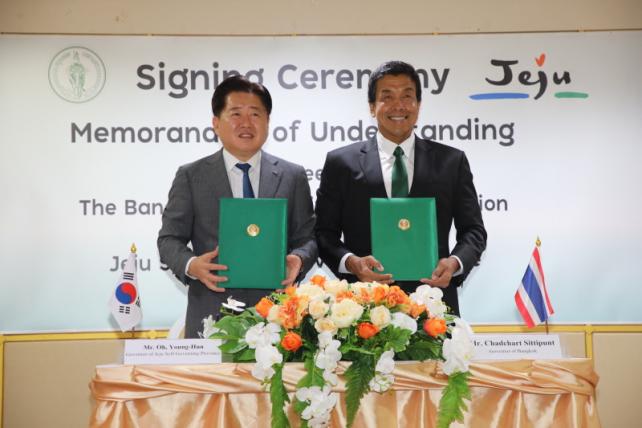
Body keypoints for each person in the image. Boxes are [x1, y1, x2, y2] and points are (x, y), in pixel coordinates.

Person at [314, 61, 487, 315]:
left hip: (434, 306)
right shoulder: (341, 163)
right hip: (362, 309)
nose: (398, 105)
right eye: (387, 97)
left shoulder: (451, 161)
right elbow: (323, 233)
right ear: (372, 107)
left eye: (407, 96)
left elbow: (473, 231)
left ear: (418, 105)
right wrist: (351, 263)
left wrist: (454, 263)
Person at [158, 75, 317, 338]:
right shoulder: (191, 176)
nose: (246, 123)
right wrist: (192, 264)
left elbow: (308, 238)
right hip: (212, 313)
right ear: (216, 123)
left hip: (278, 315)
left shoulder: (293, 176)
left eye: (255, 114)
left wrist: (299, 259)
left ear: (267, 122)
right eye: (235, 114)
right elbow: (168, 240)